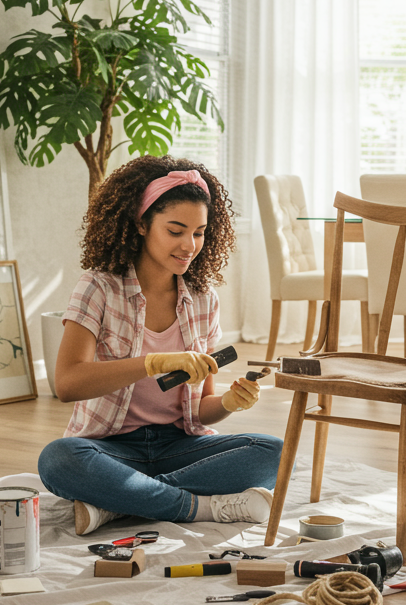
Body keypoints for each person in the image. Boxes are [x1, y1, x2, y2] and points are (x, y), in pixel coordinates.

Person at [40, 155, 285, 536]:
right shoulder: (99, 287)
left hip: (179, 447)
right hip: (111, 448)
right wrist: (152, 362)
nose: (190, 245)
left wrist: (229, 404)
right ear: (141, 224)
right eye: (176, 230)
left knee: (276, 453)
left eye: (200, 232)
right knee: (58, 459)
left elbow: (200, 412)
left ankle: (118, 505)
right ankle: (195, 506)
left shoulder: (204, 299)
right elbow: (68, 384)